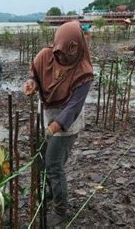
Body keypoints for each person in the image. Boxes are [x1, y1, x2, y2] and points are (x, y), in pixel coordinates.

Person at [23, 21, 93, 227]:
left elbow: (73, 107)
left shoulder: (83, 71)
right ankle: (50, 193)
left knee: (54, 165)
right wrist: (31, 84)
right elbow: (34, 76)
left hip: (67, 124)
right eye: (59, 52)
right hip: (47, 115)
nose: (62, 57)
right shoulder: (45, 56)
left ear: (77, 47)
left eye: (67, 53)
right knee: (42, 159)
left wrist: (54, 128)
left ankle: (61, 211)